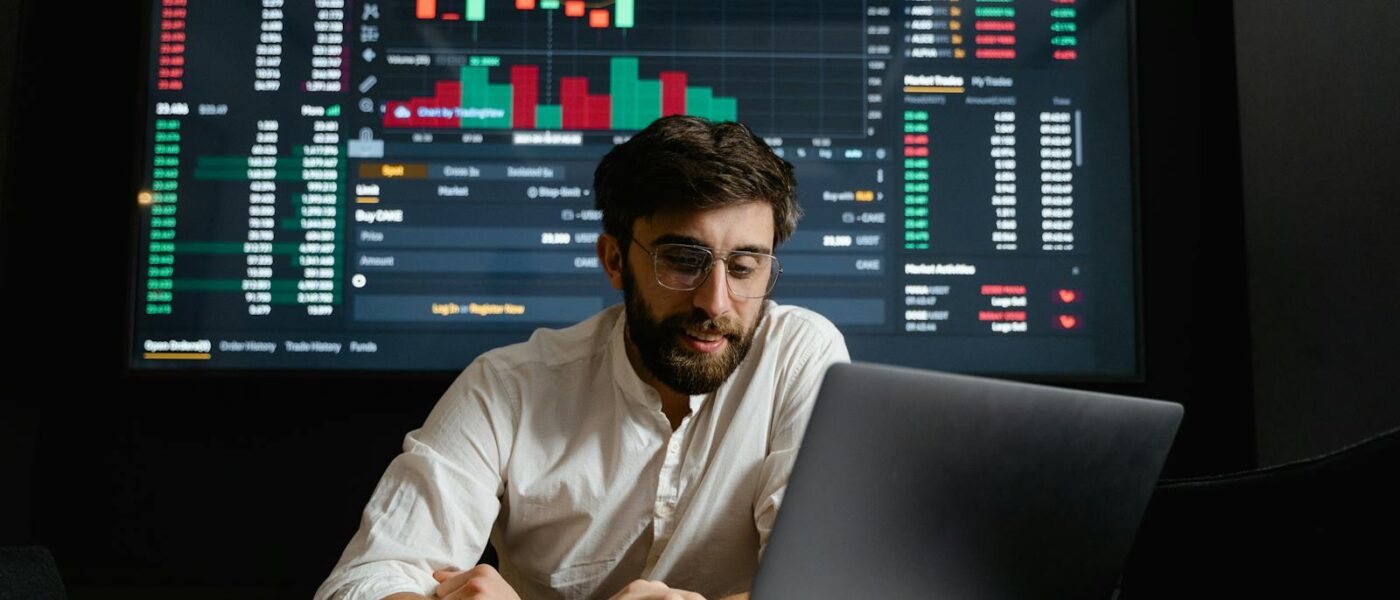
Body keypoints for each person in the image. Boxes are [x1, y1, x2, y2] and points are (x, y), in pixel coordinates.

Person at [315, 116, 850, 600]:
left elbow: (825, 581)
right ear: (615, 261)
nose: (714, 302)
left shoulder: (799, 356)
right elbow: (367, 578)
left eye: (744, 267)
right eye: (683, 262)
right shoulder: (508, 386)